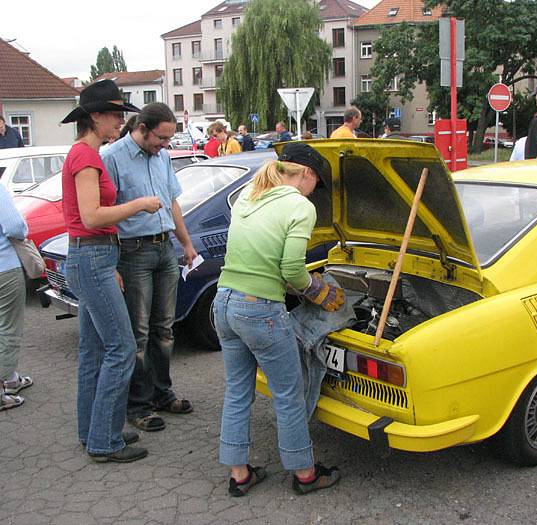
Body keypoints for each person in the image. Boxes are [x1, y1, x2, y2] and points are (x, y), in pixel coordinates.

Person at [214, 141, 343, 496]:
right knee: (289, 393)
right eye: (317, 183)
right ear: (306, 174)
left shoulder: (249, 194)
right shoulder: (299, 206)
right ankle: (305, 473)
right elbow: (291, 270)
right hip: (259, 308)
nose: (315, 192)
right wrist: (315, 289)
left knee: (238, 390)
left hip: (224, 302)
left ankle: (239, 474)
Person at [60, 79, 161, 462]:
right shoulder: (85, 157)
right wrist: (138, 205)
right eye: (116, 114)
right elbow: (91, 216)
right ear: (95, 116)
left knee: (94, 350)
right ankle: (104, 440)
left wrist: (109, 261)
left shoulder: (85, 154)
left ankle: (94, 432)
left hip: (94, 257)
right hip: (91, 256)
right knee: (120, 348)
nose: (120, 121)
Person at [101, 102, 197, 433]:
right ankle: (138, 405)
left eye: (170, 139)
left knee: (164, 330)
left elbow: (172, 202)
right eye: (162, 138)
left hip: (165, 249)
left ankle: (162, 393)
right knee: (138, 335)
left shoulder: (163, 158)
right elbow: (104, 215)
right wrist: (112, 263)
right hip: (133, 253)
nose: (166, 145)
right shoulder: (111, 158)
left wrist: (185, 243)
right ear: (141, 129)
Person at [0, 184, 31, 411]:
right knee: (9, 329)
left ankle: (10, 376)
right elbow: (14, 226)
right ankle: (5, 387)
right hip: (4, 267)